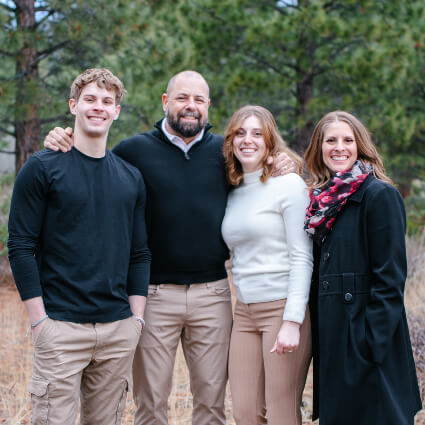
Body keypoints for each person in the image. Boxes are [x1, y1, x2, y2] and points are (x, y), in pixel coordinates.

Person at [43, 71, 294, 425]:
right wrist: (62, 136)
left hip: (213, 295)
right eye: (182, 98)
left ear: (208, 107)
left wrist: (284, 161)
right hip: (154, 296)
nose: (190, 106)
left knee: (211, 404)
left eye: (198, 100)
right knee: (150, 405)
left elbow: (262, 166)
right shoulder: (133, 151)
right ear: (165, 102)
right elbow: (92, 160)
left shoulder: (226, 153)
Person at [7, 68, 151, 425]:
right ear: (74, 105)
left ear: (117, 110)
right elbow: (21, 246)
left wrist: (136, 319)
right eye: (90, 99)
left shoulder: (130, 177)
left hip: (117, 331)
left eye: (107, 101)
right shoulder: (42, 168)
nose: (98, 107)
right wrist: (40, 322)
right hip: (60, 328)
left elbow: (139, 252)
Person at [303, 110, 422, 425]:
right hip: (333, 340)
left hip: (367, 345)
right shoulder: (320, 203)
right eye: (331, 140)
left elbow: (391, 279)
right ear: (319, 147)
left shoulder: (379, 195)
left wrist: (369, 344)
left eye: (347, 140)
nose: (339, 147)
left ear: (360, 146)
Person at [221, 105, 313, 425]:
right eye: (240, 133)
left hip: (282, 308)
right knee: (245, 413)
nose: (248, 140)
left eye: (257, 133)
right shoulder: (232, 189)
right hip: (244, 311)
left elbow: (302, 255)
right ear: (230, 140)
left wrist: (292, 320)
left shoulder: (288, 185)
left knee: (282, 413)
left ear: (270, 141)